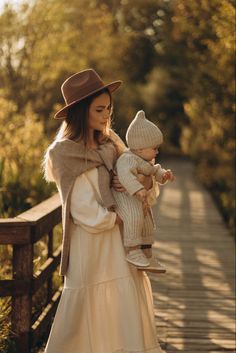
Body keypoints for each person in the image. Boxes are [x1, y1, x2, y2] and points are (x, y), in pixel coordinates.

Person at [43, 68, 164, 353]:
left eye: (109, 108)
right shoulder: (63, 153)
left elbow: (137, 182)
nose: (107, 115)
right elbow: (81, 208)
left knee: (123, 316)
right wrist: (120, 216)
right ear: (81, 112)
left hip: (120, 246)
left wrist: (141, 183)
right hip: (91, 246)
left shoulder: (112, 144)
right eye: (99, 109)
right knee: (88, 321)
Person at [112, 110, 175, 269]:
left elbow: (152, 170)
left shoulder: (144, 159)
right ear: (140, 148)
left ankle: (147, 254)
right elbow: (125, 176)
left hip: (137, 197)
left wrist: (163, 175)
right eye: (155, 148)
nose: (157, 151)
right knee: (134, 216)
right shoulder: (127, 159)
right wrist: (138, 189)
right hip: (124, 197)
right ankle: (132, 250)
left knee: (147, 222)